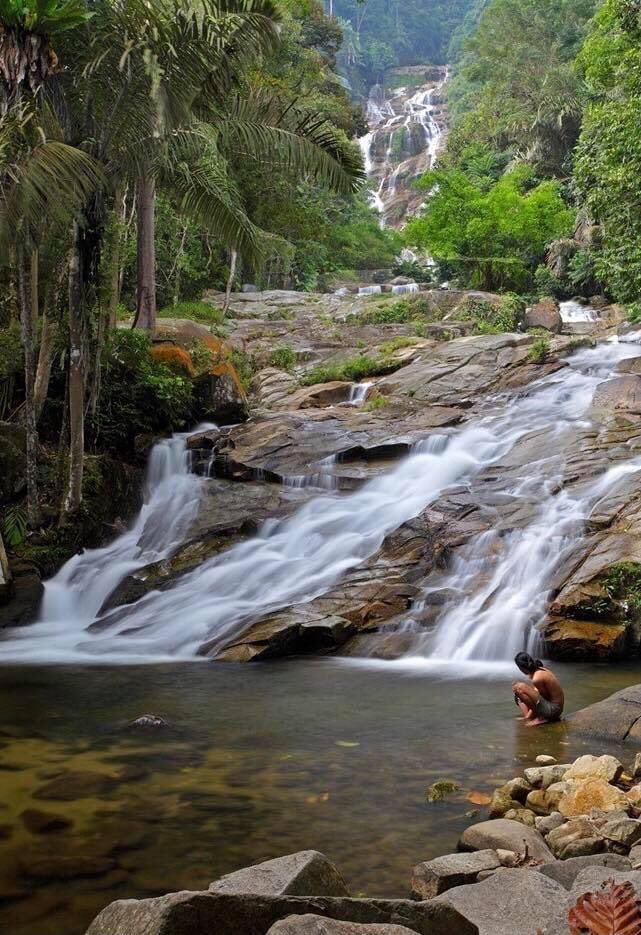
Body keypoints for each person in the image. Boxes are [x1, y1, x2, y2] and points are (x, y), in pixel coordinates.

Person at [512, 653, 564, 727]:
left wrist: (537, 717)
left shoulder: (537, 678)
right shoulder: (541, 670)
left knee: (519, 688)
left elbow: (545, 698)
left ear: (522, 668)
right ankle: (529, 716)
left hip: (554, 710)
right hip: (555, 708)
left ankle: (542, 718)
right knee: (518, 692)